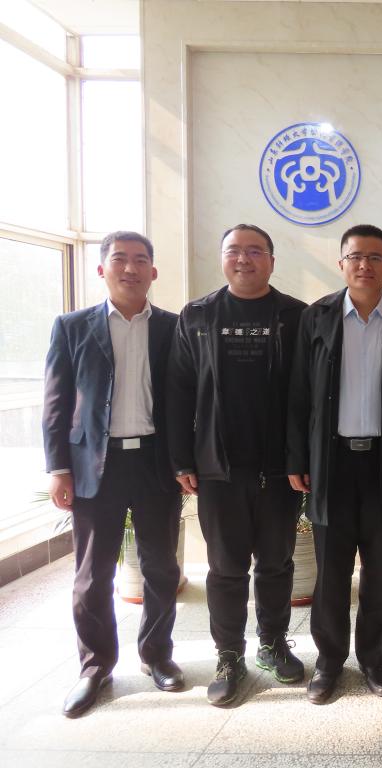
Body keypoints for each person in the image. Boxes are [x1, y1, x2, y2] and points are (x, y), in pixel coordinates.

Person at [43, 231, 183, 717]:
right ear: (101, 269)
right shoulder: (72, 326)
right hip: (93, 467)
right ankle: (95, 666)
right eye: (119, 259)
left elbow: (185, 401)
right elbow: (57, 402)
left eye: (140, 260)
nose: (130, 268)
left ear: (153, 271)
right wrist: (59, 468)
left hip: (155, 464)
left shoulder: (173, 327)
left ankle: (157, 655)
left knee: (161, 568)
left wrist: (186, 463)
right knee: (91, 574)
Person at [166, 224, 307, 707]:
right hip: (218, 468)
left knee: (276, 563)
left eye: (254, 251)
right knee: (225, 568)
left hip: (280, 469)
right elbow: (179, 391)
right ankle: (229, 655)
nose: (243, 259)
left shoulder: (296, 316)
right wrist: (182, 459)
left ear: (272, 261)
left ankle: (273, 643)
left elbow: (308, 395)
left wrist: (303, 458)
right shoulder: (198, 315)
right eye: (234, 251)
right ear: (222, 258)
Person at [287, 224, 382, 703]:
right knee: (331, 571)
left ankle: (373, 657)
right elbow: (298, 396)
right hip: (331, 463)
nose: (364, 265)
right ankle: (329, 661)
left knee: (379, 571)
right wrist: (297, 458)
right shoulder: (316, 317)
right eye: (355, 257)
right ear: (341, 263)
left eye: (375, 257)